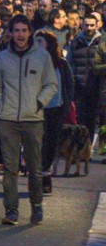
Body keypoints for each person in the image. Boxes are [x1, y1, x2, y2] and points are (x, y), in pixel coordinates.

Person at [0, 15, 58, 225]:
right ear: (11, 33)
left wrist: (39, 103)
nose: (20, 34)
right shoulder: (2, 57)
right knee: (10, 169)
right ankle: (11, 210)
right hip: (8, 120)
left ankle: (36, 205)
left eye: (24, 30)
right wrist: (2, 109)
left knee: (34, 168)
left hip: (33, 120)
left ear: (30, 32)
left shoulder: (42, 56)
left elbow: (51, 84)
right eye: (16, 30)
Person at [34, 30, 73, 195]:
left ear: (49, 44)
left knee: (51, 143)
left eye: (40, 41)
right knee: (37, 143)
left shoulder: (61, 64)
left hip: (56, 108)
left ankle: (45, 173)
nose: (36, 45)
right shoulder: (32, 61)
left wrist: (66, 105)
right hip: (37, 109)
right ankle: (38, 175)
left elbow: (69, 85)